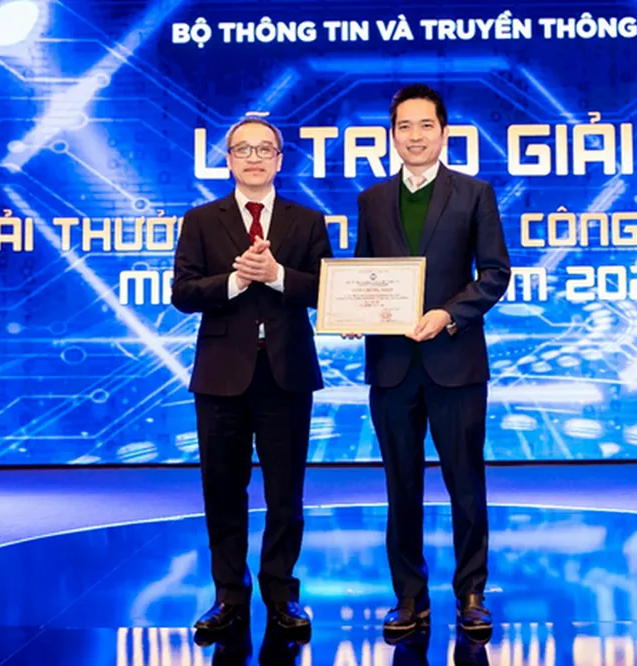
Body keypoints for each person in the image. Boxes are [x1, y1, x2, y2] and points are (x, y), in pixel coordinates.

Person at [352, 84, 511, 635]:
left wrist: (448, 314)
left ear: (444, 133)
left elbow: (495, 273)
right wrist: (354, 311)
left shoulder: (474, 193)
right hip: (392, 366)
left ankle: (471, 593)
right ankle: (409, 596)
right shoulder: (372, 200)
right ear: (392, 135)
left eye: (425, 126)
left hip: (455, 361)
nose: (414, 136)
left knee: (466, 483)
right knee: (401, 486)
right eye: (404, 126)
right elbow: (363, 272)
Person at [171, 116, 333, 634]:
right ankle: (228, 597)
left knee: (286, 493)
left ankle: (282, 594)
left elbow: (326, 289)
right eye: (244, 149)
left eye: (265, 149)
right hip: (221, 376)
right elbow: (183, 293)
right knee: (223, 491)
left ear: (280, 160)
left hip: (287, 374)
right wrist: (237, 280)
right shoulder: (201, 220)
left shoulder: (306, 221)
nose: (255, 157)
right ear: (229, 161)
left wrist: (278, 275)